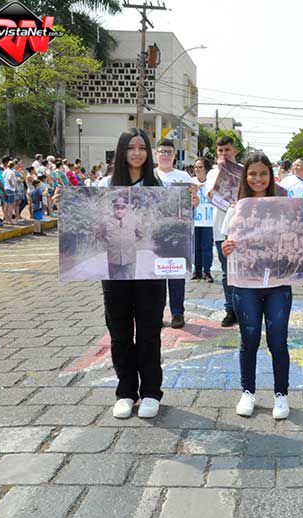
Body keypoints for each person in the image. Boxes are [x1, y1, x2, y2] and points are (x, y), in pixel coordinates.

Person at [100, 128, 166, 420]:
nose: (137, 153)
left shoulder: (158, 186)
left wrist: (189, 203)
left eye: (142, 147)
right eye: (131, 147)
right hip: (114, 271)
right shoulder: (104, 186)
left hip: (149, 272)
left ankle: (151, 392)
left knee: (149, 331)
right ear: (121, 151)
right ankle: (126, 391)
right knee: (120, 332)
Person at [220, 153, 292, 420]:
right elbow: (225, 245)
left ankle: (281, 394)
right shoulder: (235, 209)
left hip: (278, 284)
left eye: (263, 173)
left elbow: (299, 238)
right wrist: (226, 248)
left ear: (271, 176)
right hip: (245, 284)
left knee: (278, 342)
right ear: (245, 177)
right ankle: (247, 391)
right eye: (252, 173)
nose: (258, 178)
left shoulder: (284, 207)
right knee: (248, 340)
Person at [155, 138, 197, 329]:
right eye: (162, 151)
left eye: (169, 152)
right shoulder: (149, 176)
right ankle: (156, 314)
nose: (165, 155)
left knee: (176, 275)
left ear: (174, 155)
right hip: (155, 232)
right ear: (156, 154)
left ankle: (177, 314)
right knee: (155, 277)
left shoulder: (184, 177)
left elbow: (194, 203)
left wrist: (194, 200)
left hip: (178, 233)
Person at [207, 136, 242, 327]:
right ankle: (230, 309)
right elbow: (211, 195)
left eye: (227, 150)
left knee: (243, 271)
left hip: (242, 230)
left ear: (234, 151)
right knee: (227, 272)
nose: (224, 154)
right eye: (220, 151)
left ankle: (244, 308)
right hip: (222, 230)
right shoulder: (213, 173)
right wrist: (222, 172)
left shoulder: (244, 171)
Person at [192, 157, 215, 282]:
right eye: (195, 167)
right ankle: (197, 270)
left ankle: (207, 271)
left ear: (206, 169)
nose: (197, 169)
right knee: (195, 248)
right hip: (194, 220)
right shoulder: (191, 181)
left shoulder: (212, 182)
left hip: (208, 221)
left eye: (200, 167)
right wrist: (194, 191)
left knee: (207, 247)